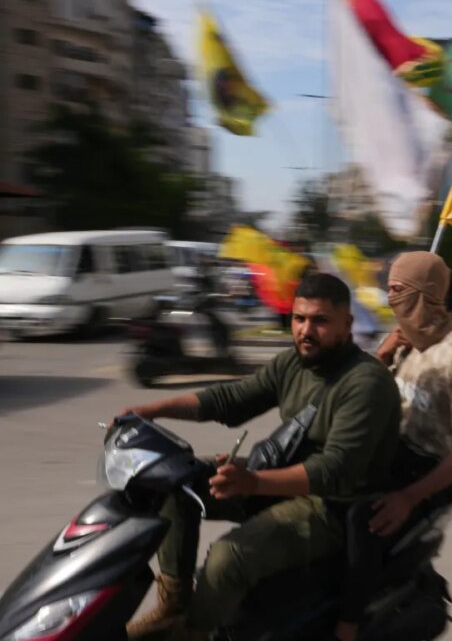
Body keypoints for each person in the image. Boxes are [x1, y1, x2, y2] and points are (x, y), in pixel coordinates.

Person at [123, 273, 400, 641]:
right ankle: (172, 607)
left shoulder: (365, 383)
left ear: (347, 325)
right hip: (280, 479)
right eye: (299, 319)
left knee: (227, 559)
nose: (305, 330)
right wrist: (150, 410)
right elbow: (231, 399)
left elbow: (335, 470)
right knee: (173, 484)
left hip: (331, 505)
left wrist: (252, 482)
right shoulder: (293, 363)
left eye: (320, 320)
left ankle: (192, 633)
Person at [335, 251, 452, 641]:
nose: (390, 298)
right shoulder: (405, 339)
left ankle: (348, 626)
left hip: (430, 468)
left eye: (399, 289)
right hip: (392, 449)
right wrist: (383, 355)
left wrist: (408, 497)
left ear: (426, 293)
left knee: (361, 519)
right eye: (389, 289)